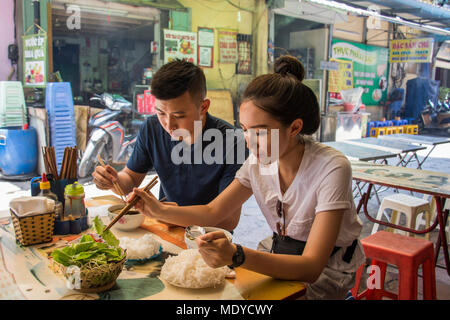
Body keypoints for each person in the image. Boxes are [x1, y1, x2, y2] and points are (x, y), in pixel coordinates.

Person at [128, 55, 366, 300]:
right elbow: (213, 212)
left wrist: (236, 255)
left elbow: (311, 267)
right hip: (280, 252)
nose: (249, 142)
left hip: (328, 270)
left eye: (260, 132)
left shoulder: (331, 168)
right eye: (244, 129)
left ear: (294, 128)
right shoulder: (257, 162)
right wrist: (156, 210)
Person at [92, 59, 247, 231]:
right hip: (166, 228)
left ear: (203, 107)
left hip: (209, 238)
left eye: (179, 116)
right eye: (161, 113)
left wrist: (164, 212)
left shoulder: (234, 142)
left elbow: (228, 220)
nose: (168, 124)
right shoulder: (152, 128)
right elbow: (130, 180)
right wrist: (112, 181)